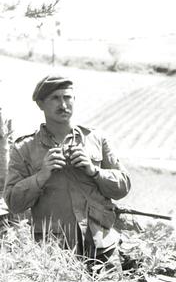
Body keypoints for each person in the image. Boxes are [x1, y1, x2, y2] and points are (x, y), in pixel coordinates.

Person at [4, 75, 131, 264]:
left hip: (102, 248)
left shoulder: (96, 139)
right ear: (40, 104)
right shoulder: (25, 148)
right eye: (55, 98)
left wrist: (94, 171)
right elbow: (14, 202)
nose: (63, 104)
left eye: (67, 97)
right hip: (54, 253)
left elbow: (123, 187)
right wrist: (41, 176)